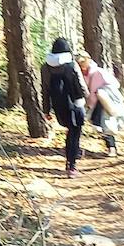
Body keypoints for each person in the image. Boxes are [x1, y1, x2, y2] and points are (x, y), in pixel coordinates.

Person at [40, 38, 88, 178]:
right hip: (76, 103)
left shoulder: (45, 67)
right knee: (75, 133)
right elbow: (80, 85)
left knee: (69, 131)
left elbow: (45, 90)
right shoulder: (71, 64)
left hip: (59, 105)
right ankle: (72, 165)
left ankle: (69, 163)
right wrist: (87, 97)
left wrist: (46, 110)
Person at [76, 51, 124, 158]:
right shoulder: (81, 75)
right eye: (80, 63)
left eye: (83, 62)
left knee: (117, 122)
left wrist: (103, 92)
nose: (82, 65)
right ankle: (111, 148)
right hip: (96, 103)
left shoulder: (99, 72)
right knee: (104, 125)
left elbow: (114, 84)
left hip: (108, 101)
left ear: (88, 60)